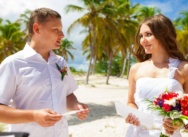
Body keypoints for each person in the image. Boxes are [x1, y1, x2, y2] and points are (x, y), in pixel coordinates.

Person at [0, 7, 89, 137]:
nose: (62, 35)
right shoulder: (13, 64)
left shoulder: (61, 63)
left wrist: (76, 105)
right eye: (56, 30)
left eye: (61, 30)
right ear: (37, 29)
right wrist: (34, 116)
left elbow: (67, 94)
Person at [125, 14, 188, 137]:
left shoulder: (183, 68)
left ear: (163, 34)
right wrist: (132, 114)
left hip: (168, 134)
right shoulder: (135, 69)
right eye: (141, 36)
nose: (143, 41)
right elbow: (131, 102)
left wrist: (178, 122)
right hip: (136, 133)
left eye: (148, 34)